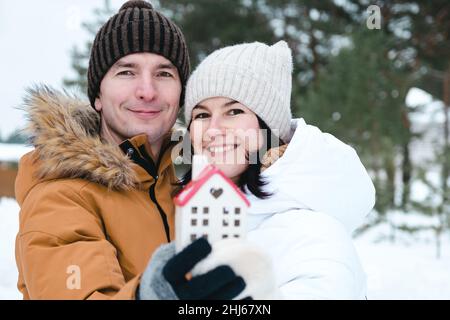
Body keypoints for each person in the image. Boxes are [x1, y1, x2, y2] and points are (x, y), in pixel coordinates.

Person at [14, 0, 258, 300]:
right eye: (127, 72)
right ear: (98, 96)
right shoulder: (59, 198)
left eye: (164, 74)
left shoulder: (185, 188)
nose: (147, 90)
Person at [182, 41, 376, 299]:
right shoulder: (190, 214)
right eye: (202, 115)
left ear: (269, 128)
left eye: (234, 111)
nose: (213, 129)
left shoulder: (314, 235)